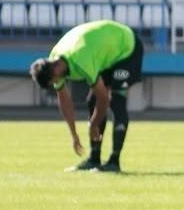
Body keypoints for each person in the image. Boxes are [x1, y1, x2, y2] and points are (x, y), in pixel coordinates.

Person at [27, 19, 145, 173]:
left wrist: (93, 125)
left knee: (116, 101)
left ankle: (114, 162)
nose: (56, 83)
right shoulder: (54, 59)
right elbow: (63, 99)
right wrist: (74, 134)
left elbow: (104, 98)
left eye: (53, 81)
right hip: (107, 52)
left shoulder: (81, 60)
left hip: (127, 48)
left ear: (55, 72)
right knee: (92, 101)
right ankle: (94, 159)